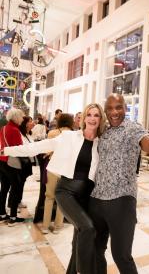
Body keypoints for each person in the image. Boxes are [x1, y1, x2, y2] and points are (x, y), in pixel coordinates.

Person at [2, 103, 106, 274]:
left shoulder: (101, 143)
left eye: (96, 115)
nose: (92, 118)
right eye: (89, 114)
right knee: (88, 228)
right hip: (66, 192)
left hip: (86, 196)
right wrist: (5, 150)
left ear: (101, 119)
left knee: (79, 240)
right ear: (83, 118)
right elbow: (36, 147)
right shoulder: (69, 137)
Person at [88, 93, 149, 274]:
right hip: (96, 200)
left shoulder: (134, 129)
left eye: (118, 107)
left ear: (125, 108)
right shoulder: (104, 132)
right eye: (109, 108)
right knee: (95, 250)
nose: (114, 112)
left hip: (122, 201)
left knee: (121, 256)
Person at [42, 113, 74, 234]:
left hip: (53, 168)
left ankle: (45, 226)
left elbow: (47, 150)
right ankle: (58, 225)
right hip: (66, 170)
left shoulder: (52, 133)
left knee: (49, 197)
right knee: (62, 198)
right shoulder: (75, 135)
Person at [0, 108, 25, 226]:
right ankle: (13, 217)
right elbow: (20, 148)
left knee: (4, 188)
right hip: (12, 162)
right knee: (15, 189)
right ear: (16, 117)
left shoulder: (3, 128)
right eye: (21, 117)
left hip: (3, 160)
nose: (22, 119)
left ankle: (2, 214)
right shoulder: (15, 130)